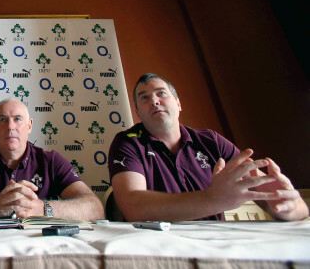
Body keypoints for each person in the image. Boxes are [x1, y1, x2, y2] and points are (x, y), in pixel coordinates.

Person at [108, 73, 308, 222]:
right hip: (157, 247)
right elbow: (134, 208)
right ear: (137, 113)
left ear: (178, 104)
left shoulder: (211, 141)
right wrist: (212, 199)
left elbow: (291, 207)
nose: (154, 100)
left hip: (217, 246)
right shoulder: (127, 142)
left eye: (161, 93)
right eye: (144, 98)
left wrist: (288, 205)